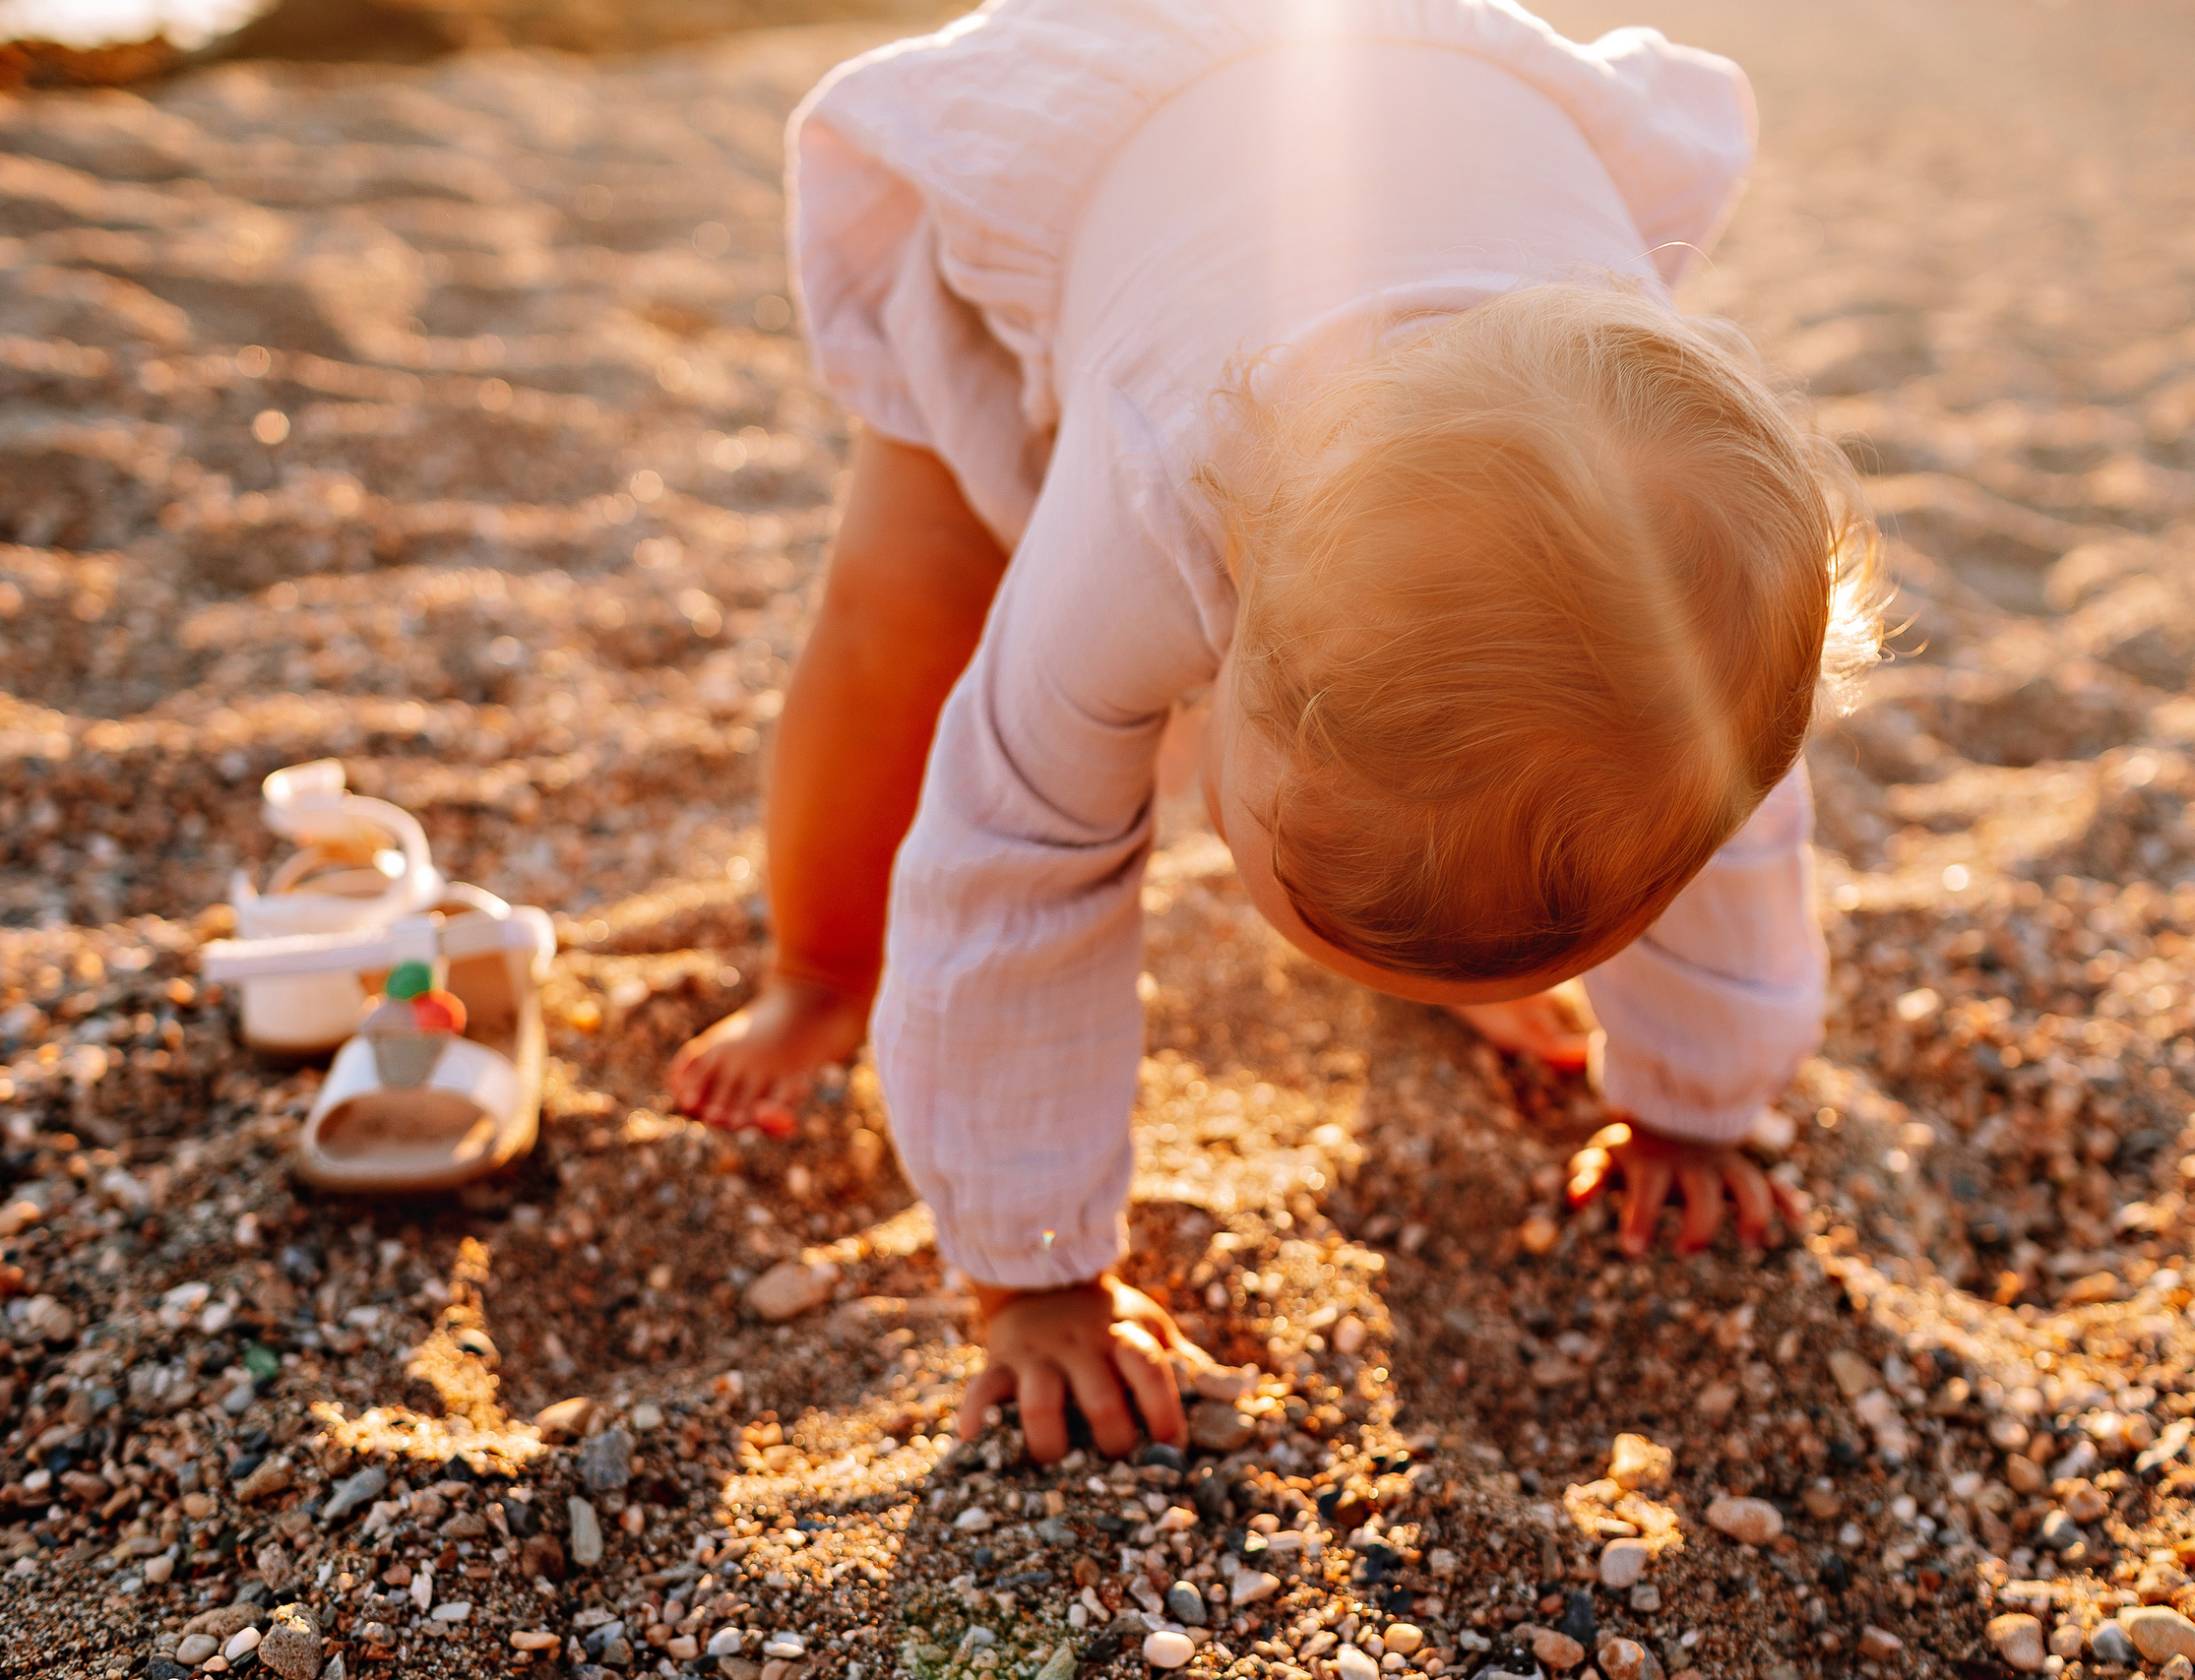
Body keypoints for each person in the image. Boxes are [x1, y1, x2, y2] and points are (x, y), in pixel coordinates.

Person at [667, 0, 1883, 1462]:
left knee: (1576, 723)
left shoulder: (1703, 620)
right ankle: (816, 968)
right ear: (1222, 643)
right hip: (1116, 148)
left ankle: (1460, 911)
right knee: (907, 609)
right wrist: (1032, 1269)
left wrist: (1697, 1102)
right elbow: (1012, 863)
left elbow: (1743, 846)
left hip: (1444, 143)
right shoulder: (1138, 520)